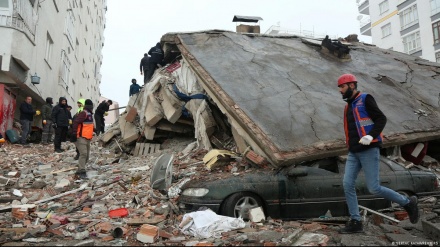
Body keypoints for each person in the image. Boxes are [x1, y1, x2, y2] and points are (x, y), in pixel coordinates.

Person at [337, 73, 419, 234]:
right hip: (354, 152)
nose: (340, 90)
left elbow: (381, 119)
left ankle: (408, 202)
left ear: (352, 85)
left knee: (373, 188)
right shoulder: (348, 106)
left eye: (342, 87)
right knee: (347, 185)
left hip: (369, 149)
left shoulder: (366, 99)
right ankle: (356, 221)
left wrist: (370, 136)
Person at [70, 99, 94, 180]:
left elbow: (87, 126)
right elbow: (76, 122)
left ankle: (79, 170)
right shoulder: (84, 113)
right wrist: (74, 133)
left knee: (86, 156)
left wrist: (94, 130)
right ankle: (81, 171)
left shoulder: (90, 114)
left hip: (87, 138)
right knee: (83, 154)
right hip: (80, 137)